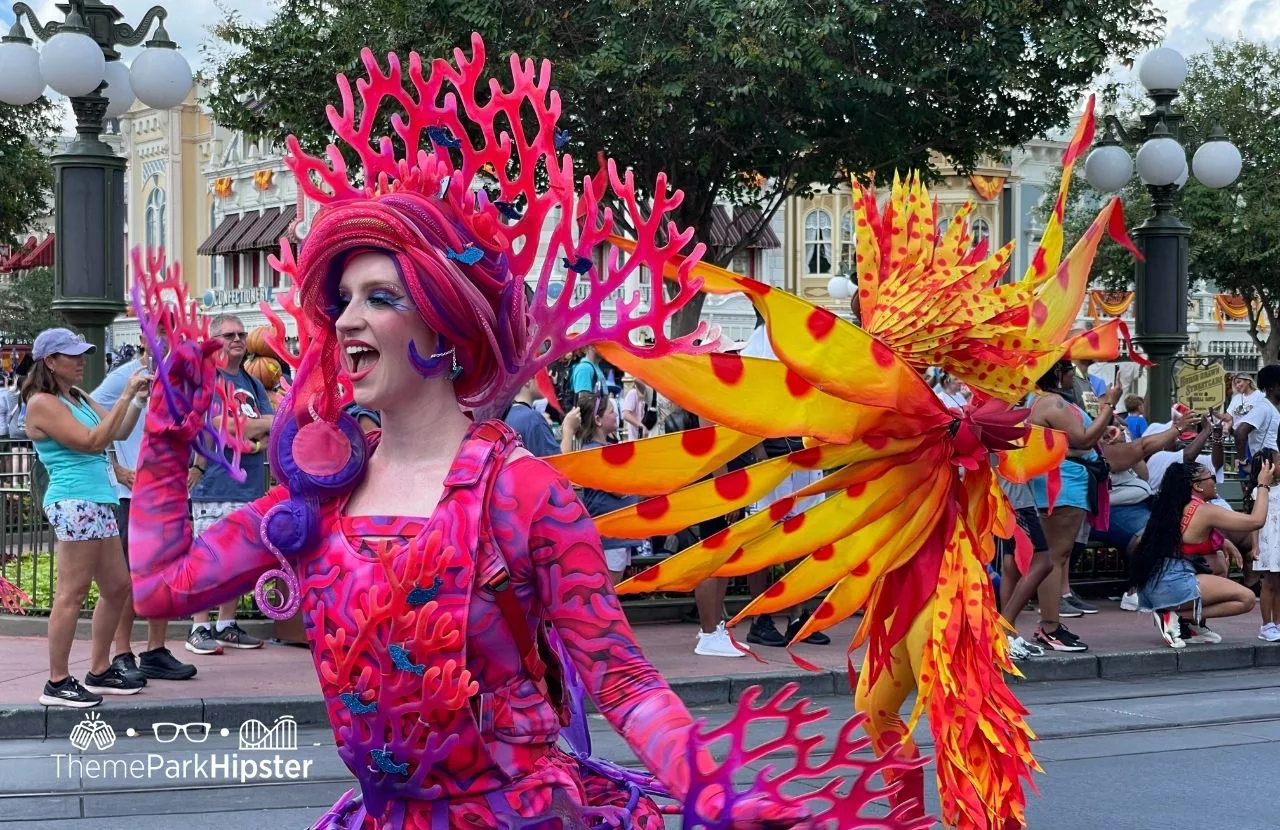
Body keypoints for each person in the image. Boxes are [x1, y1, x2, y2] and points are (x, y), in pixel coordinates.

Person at [127, 39, 817, 827]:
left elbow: (619, 677)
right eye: (345, 297)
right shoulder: (317, 499)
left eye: (380, 296)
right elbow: (161, 584)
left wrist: (711, 788)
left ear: (446, 321)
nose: (348, 317)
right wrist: (167, 429)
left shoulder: (525, 495)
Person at [24, 328, 151, 707]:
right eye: (72, 355)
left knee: (116, 587)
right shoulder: (42, 403)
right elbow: (92, 441)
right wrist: (126, 393)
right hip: (74, 501)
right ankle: (57, 682)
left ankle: (99, 671)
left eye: (83, 353)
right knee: (72, 593)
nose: (81, 360)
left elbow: (118, 430)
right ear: (50, 361)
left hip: (97, 500)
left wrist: (137, 401)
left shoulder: (75, 395)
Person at [91, 344, 196, 682]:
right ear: (144, 333)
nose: (168, 336)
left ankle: (155, 650)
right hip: (132, 495)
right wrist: (115, 466)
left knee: (163, 574)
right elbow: (91, 418)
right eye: (161, 327)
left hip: (168, 493)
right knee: (126, 579)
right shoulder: (124, 376)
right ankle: (122, 653)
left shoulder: (182, 379)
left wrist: (198, 468)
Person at [185, 313, 274, 655]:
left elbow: (272, 423)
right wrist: (251, 430)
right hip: (216, 484)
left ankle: (225, 624)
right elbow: (221, 424)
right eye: (228, 335)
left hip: (248, 484)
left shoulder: (250, 382)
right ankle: (199, 627)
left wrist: (249, 437)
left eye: (241, 334)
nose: (237, 339)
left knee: (237, 561)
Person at [1027, 359, 1120, 652]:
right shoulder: (1052, 403)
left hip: (1068, 480)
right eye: (1070, 373)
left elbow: (1083, 437)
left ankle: (1051, 624)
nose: (1073, 378)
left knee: (1058, 555)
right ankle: (1049, 626)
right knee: (1055, 556)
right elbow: (1082, 437)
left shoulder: (1050, 401)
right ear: (1057, 374)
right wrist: (1109, 406)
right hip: (1062, 483)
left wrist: (1101, 427)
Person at [1128, 461, 1263, 649]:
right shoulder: (1204, 510)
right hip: (1172, 585)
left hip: (1155, 584)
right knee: (1246, 599)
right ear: (1197, 485)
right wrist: (1263, 485)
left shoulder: (1175, 506)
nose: (1215, 482)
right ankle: (1175, 615)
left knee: (1218, 562)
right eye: (1211, 478)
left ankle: (1189, 626)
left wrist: (1224, 542)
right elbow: (1255, 522)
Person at [1247, 450, 1280, 641]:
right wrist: (1255, 546)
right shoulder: (1260, 491)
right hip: (1269, 543)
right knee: (1269, 583)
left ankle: (1277, 623)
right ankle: (1266, 624)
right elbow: (1254, 522)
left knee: (1279, 584)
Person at [1234, 364, 1280, 477]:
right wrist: (1243, 463)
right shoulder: (1263, 407)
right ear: (1271, 387)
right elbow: (1240, 432)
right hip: (1266, 472)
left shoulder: (1272, 408)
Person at [503, 376, 560, 458]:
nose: (548, 381)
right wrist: (569, 429)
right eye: (543, 376)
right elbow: (557, 463)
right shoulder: (533, 420)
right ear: (527, 381)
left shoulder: (504, 414)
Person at [620, 376, 648, 441]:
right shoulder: (633, 393)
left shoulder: (649, 394)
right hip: (636, 438)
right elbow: (625, 415)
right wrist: (641, 426)